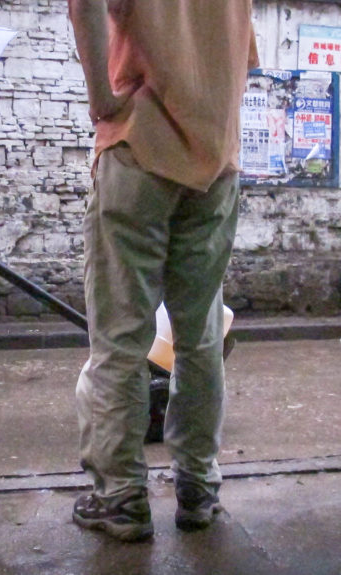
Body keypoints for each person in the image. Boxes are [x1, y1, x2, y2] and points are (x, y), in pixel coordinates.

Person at [67, 0, 259, 541]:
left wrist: (102, 100)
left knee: (120, 339)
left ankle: (122, 498)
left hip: (139, 149)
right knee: (198, 337)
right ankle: (199, 488)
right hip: (216, 165)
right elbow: (242, 62)